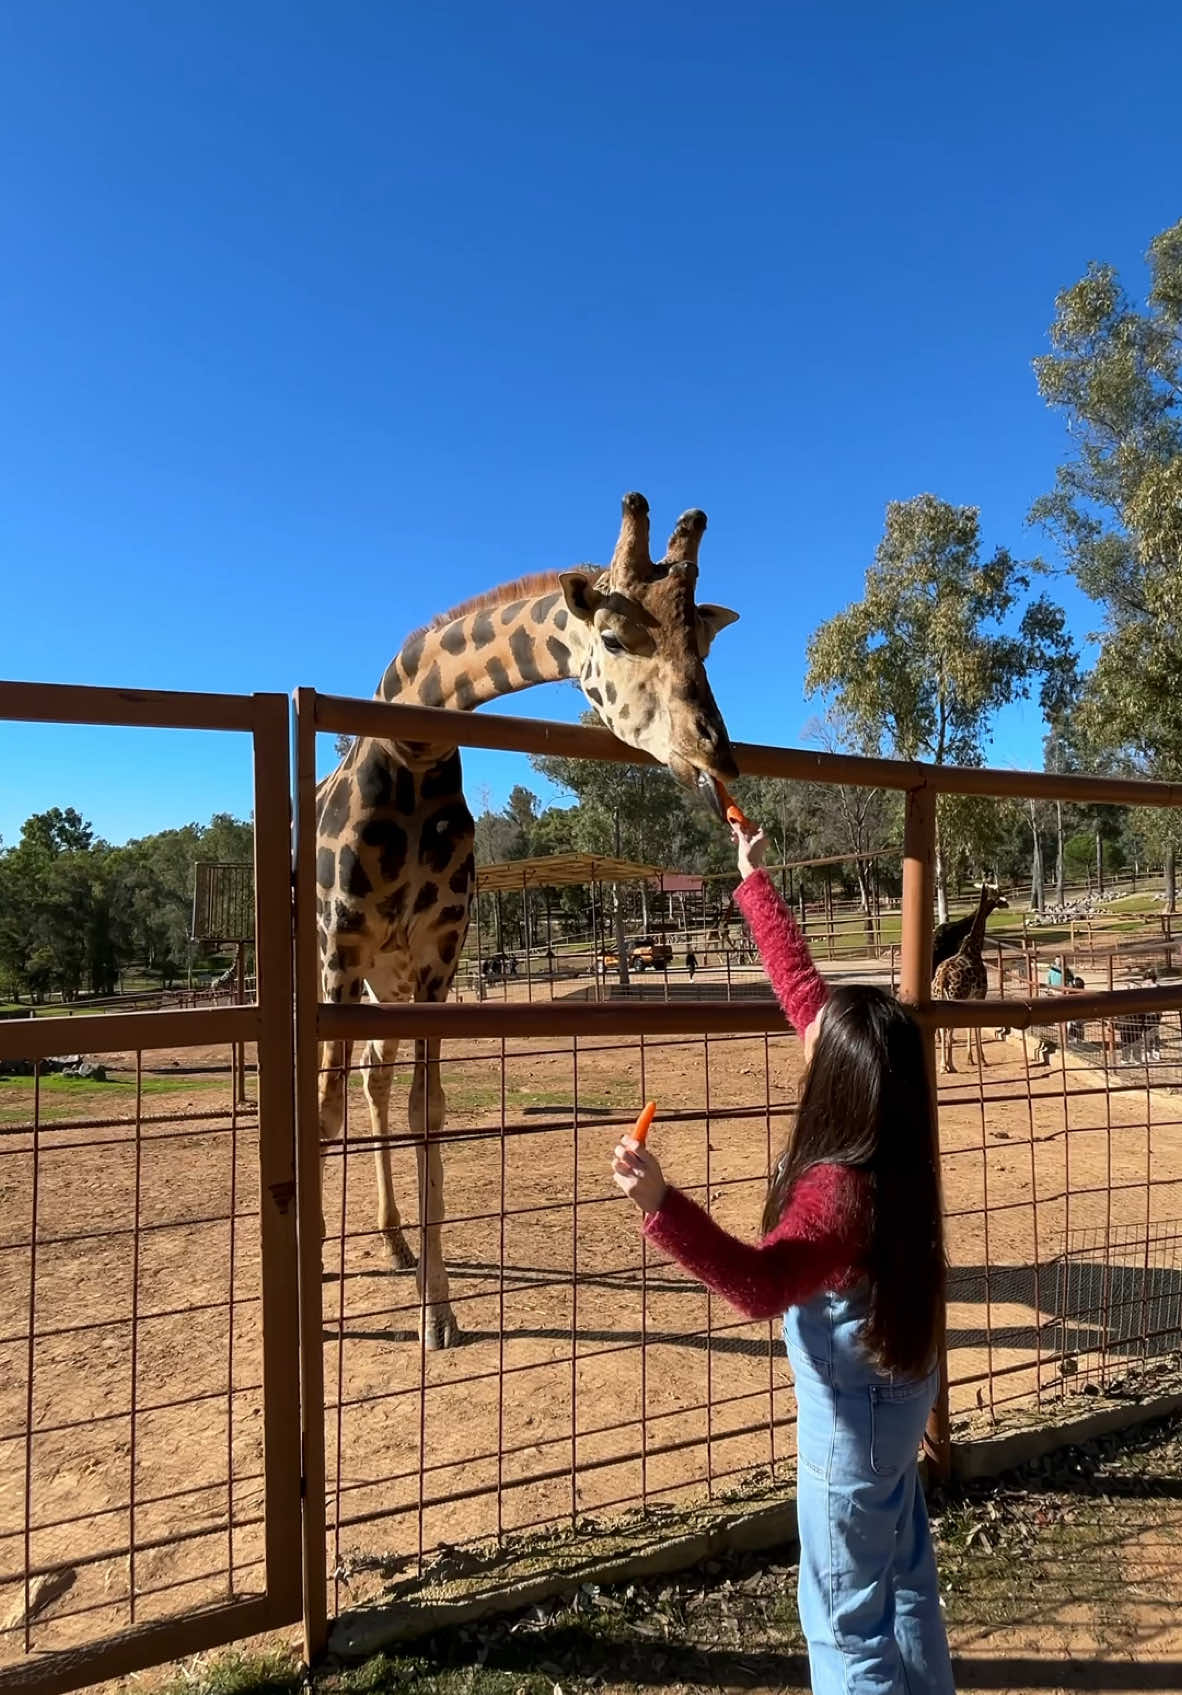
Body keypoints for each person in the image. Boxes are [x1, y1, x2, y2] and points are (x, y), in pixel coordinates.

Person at [612, 823, 954, 1695]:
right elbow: (806, 996)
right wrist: (753, 879)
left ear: (835, 1079)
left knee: (843, 1619)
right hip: (901, 1395)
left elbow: (762, 1285)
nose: (805, 1032)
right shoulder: (897, 1132)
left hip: (850, 1423)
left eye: (817, 1045)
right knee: (904, 1573)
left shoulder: (835, 1192)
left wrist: (661, 1206)